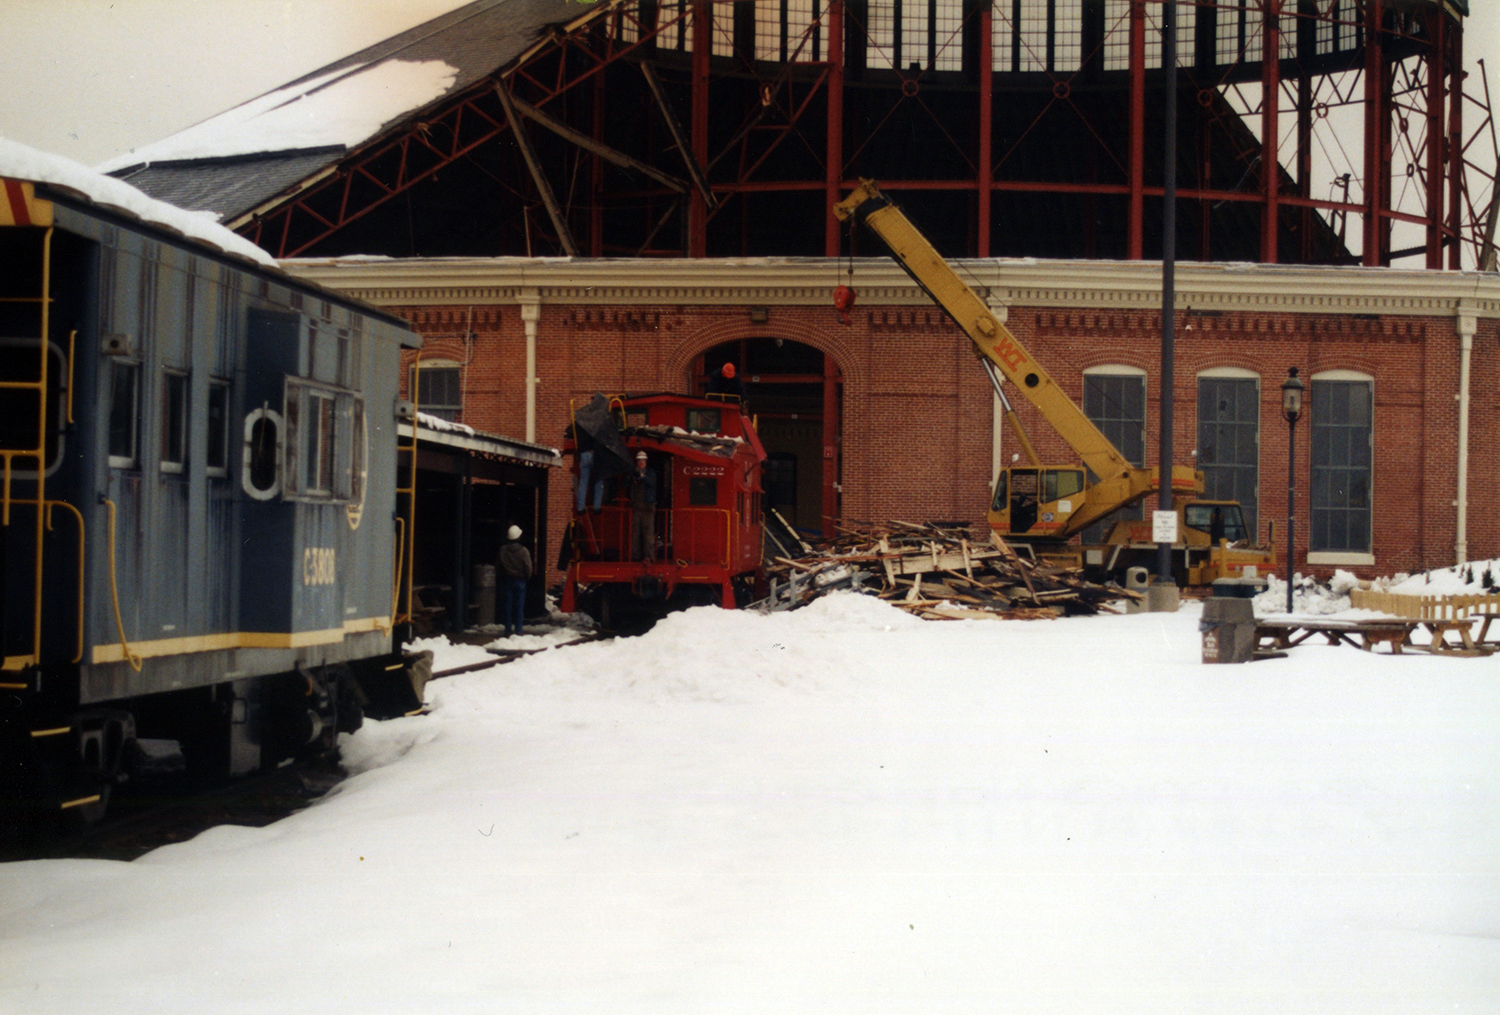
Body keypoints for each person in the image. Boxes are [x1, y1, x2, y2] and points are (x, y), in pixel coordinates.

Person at [497, 524, 532, 637]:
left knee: (508, 606)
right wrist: (526, 576)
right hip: (520, 580)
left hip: (507, 580)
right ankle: (518, 631)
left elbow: (498, 566)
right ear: (519, 536)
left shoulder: (502, 550)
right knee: (519, 607)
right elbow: (528, 567)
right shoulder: (523, 551)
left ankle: (508, 630)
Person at [628, 450, 657, 562]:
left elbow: (652, 482)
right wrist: (633, 475)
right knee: (635, 535)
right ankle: (635, 557)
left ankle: (649, 557)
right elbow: (625, 483)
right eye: (639, 460)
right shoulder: (632, 473)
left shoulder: (651, 473)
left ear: (646, 461)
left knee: (648, 535)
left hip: (648, 508)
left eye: (643, 460)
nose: (641, 462)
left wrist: (642, 476)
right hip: (636, 508)